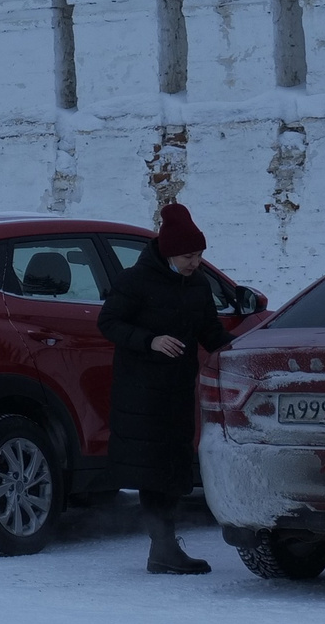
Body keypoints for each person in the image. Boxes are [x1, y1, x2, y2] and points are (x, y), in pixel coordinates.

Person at [97, 200, 231, 574]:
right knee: (152, 467)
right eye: (188, 255)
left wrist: (236, 350)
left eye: (200, 255)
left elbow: (210, 330)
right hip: (140, 391)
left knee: (173, 465)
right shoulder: (135, 280)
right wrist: (150, 340)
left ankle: (164, 547)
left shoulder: (198, 285)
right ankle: (163, 546)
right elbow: (108, 322)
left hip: (176, 389)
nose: (195, 262)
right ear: (170, 252)